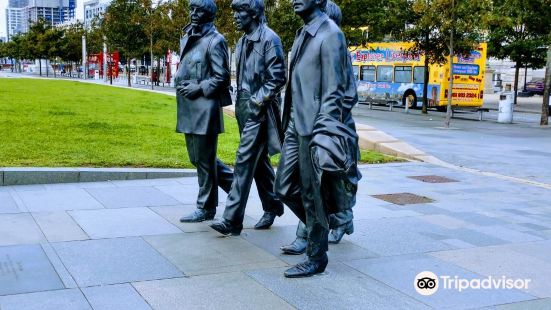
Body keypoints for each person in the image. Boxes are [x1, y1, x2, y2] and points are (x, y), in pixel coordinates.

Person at [274, 0, 359, 278]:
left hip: (314, 129)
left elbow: (335, 91)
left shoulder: (331, 34)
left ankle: (316, 255)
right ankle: (326, 222)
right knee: (284, 188)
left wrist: (323, 133)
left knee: (312, 196)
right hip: (295, 126)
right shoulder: (303, 33)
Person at [209, 0, 286, 235]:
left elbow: (278, 77)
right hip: (245, 108)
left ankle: (231, 220)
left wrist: (256, 101)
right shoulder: (242, 41)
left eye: (240, 12)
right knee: (259, 162)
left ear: (252, 13)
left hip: (260, 110)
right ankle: (272, 204)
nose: (235, 17)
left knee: (243, 161)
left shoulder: (269, 39)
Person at [175, 0, 234, 223]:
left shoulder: (216, 41)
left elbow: (222, 77)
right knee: (197, 158)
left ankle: (206, 207)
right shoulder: (189, 36)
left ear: (208, 14)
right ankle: (236, 188)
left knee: (205, 160)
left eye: (197, 10)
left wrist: (198, 87)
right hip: (188, 107)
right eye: (191, 9)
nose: (192, 13)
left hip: (204, 107)